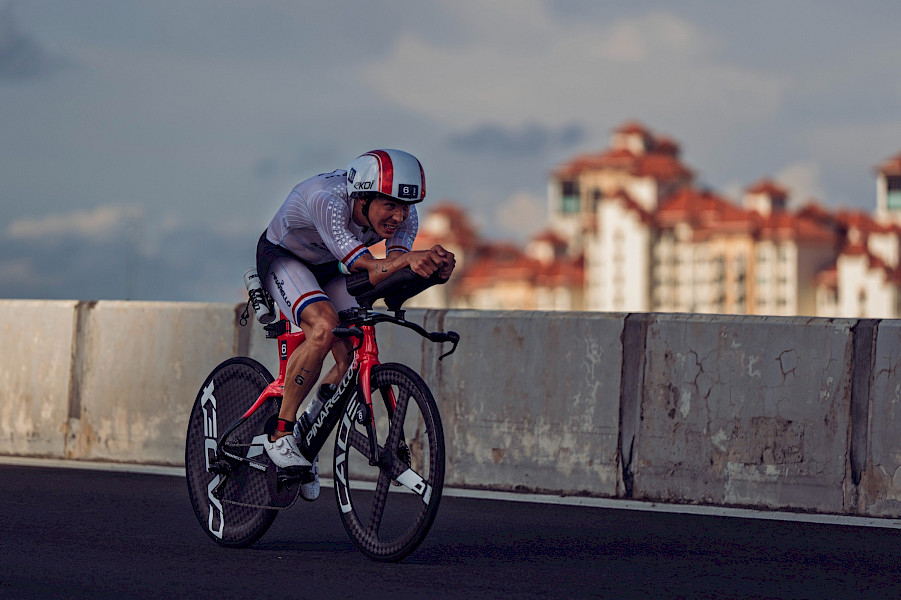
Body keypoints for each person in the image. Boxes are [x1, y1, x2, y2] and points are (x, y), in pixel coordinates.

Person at [255, 149, 455, 501]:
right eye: (389, 206)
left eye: (405, 207)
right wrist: (407, 260)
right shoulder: (328, 200)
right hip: (284, 258)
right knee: (323, 327)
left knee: (351, 355)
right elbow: (369, 266)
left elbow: (391, 269)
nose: (399, 216)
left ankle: (307, 435)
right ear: (362, 197)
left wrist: (431, 271)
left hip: (327, 268)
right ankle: (281, 433)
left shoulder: (406, 218)